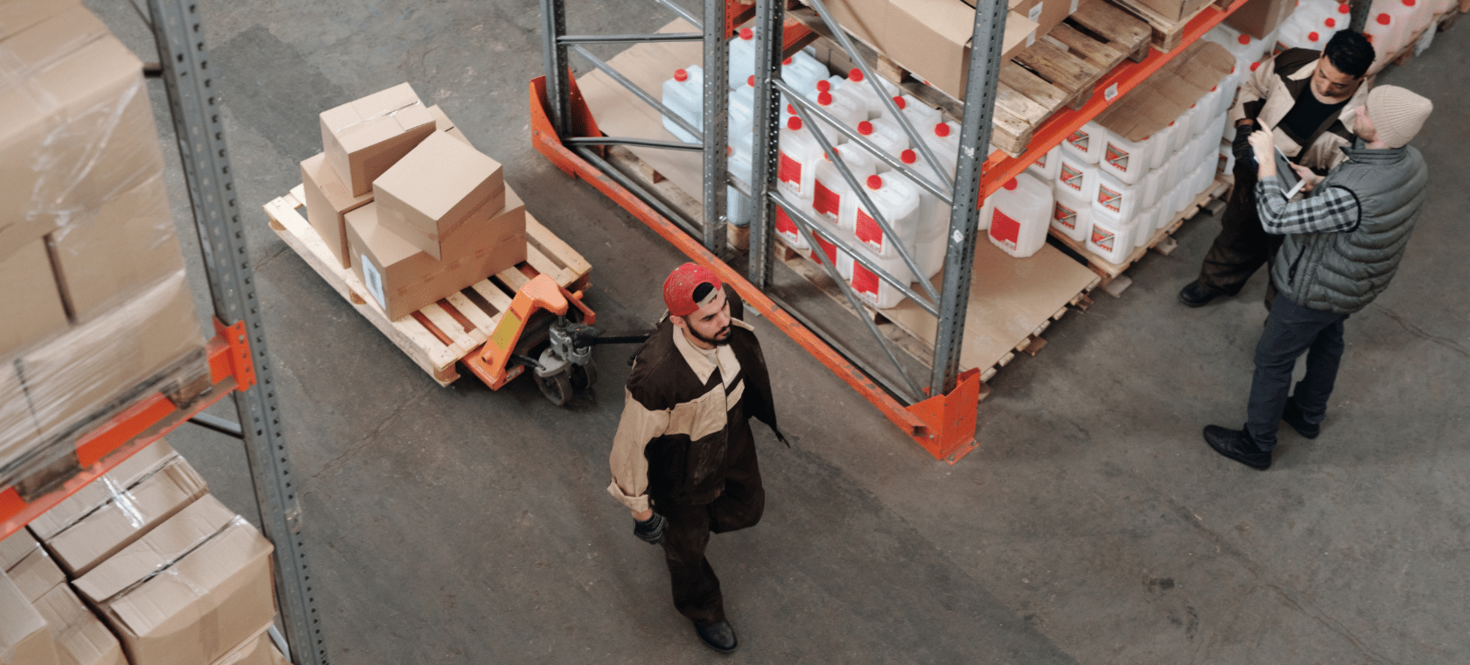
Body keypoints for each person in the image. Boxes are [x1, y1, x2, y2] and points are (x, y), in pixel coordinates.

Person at [1203, 85, 1432, 470]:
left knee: (1272, 360)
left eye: (1368, 112)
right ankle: (1307, 414)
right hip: (1353, 282)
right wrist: (1318, 182)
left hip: (1316, 286)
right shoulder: (1411, 162)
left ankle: (1256, 443)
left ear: (1385, 129)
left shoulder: (1353, 195)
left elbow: (1275, 219)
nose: (1357, 110)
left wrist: (1266, 165)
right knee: (1328, 338)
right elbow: (1360, 199)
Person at [606, 263, 783, 653]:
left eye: (723, 306)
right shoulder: (656, 378)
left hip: (732, 438)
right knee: (687, 550)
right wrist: (642, 512)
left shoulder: (725, 311)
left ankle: (689, 532)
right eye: (708, 317)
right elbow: (629, 446)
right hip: (681, 469)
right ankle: (703, 608)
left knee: (749, 509)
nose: (724, 320)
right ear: (677, 320)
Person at [1179, 31, 1377, 308]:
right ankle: (1215, 282)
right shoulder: (1292, 63)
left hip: (1304, 200)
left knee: (1287, 260)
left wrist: (1317, 181)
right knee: (1236, 230)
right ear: (1321, 55)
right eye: (1322, 75)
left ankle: (1277, 316)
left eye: (1339, 85)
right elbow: (1254, 89)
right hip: (1256, 171)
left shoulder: (1364, 120)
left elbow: (1354, 177)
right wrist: (1244, 127)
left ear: (1361, 78)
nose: (1324, 88)